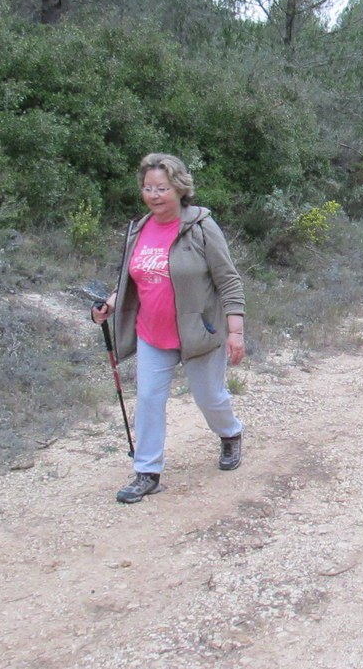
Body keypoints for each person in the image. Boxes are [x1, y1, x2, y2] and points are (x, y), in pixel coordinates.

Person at [91, 153, 246, 504]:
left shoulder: (202, 227)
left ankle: (230, 433)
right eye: (148, 188)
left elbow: (229, 281)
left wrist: (235, 332)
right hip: (153, 333)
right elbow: (135, 279)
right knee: (147, 400)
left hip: (199, 333)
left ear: (179, 188)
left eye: (162, 188)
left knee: (209, 398)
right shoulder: (139, 228)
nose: (154, 195)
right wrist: (110, 304)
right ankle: (147, 472)